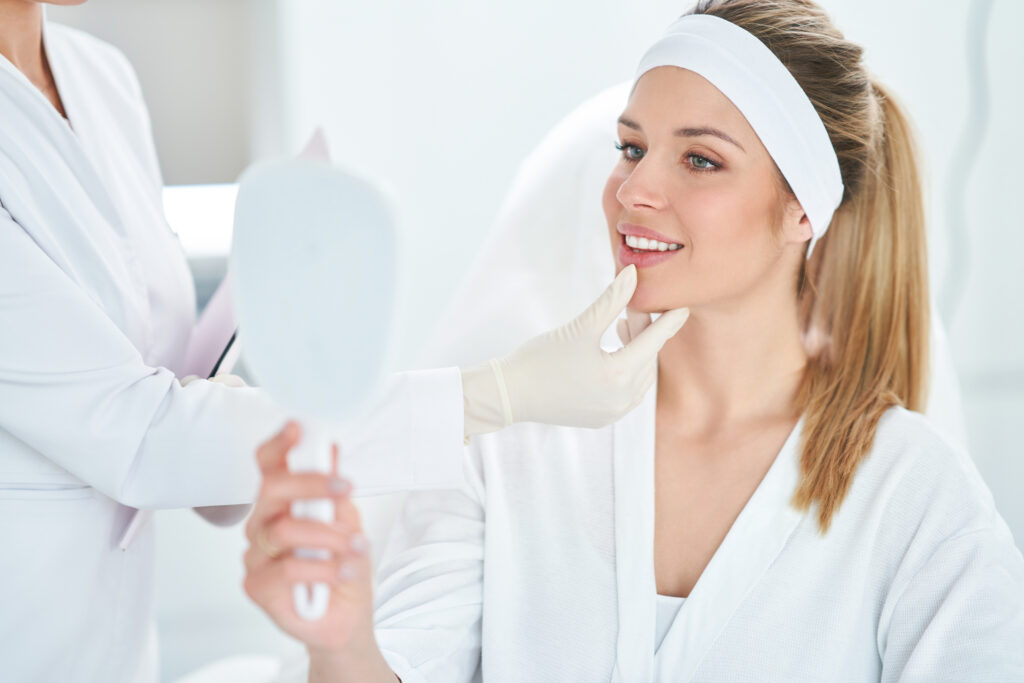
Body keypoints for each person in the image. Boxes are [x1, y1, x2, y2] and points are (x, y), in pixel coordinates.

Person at [245, 1, 1024, 681]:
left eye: (700, 159)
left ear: (801, 212)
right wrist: (341, 642)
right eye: (629, 147)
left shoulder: (917, 501)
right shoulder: (515, 450)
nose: (634, 190)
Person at [0, 1, 688, 680]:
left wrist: (221, 412)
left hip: (115, 632)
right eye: (629, 149)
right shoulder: (517, 480)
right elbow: (142, 432)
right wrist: (497, 393)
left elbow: (149, 363)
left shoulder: (100, 77)